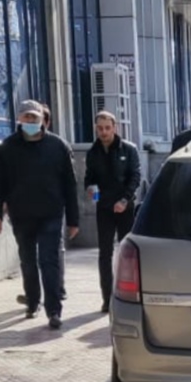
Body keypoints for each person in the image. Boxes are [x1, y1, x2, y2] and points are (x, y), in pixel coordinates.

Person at [0, 100, 80, 329]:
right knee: (28, 261)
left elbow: (70, 184)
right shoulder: (7, 148)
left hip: (51, 214)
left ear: (42, 119)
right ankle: (32, 301)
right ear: (19, 119)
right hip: (21, 216)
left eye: (34, 117)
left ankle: (54, 310)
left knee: (49, 261)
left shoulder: (58, 146)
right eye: (26, 117)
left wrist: (74, 219)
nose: (30, 122)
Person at [84, 110, 142, 314]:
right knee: (104, 253)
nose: (104, 132)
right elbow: (89, 178)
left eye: (107, 128)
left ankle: (128, 295)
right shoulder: (93, 152)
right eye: (100, 128)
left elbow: (135, 177)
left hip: (125, 207)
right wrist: (91, 190)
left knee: (127, 253)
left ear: (114, 128)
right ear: (96, 129)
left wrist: (125, 200)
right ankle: (106, 298)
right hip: (104, 209)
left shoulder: (128, 149)